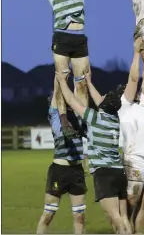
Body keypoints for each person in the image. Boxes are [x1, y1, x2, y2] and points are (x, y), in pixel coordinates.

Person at [56, 39, 142, 234]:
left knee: (115, 219)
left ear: (104, 106)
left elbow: (71, 100)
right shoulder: (114, 119)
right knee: (123, 218)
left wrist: (62, 82)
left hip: (103, 174)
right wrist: (88, 82)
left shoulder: (94, 118)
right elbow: (101, 101)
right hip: (118, 172)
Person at [35, 0, 89, 137]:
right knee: (61, 78)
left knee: (82, 82)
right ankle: (64, 121)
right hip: (61, 35)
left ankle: (82, 120)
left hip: (79, 37)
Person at [37, 77, 87, 234]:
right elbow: (58, 92)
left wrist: (80, 76)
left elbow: (79, 92)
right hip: (59, 170)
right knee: (48, 215)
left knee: (79, 217)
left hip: (77, 170)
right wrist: (60, 73)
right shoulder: (56, 117)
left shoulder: (77, 116)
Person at [119, 78, 144, 234]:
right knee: (132, 201)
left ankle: (138, 232)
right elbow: (134, 80)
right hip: (134, 160)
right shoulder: (123, 106)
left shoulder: (143, 106)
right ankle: (123, 229)